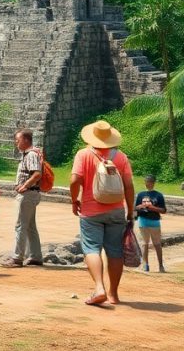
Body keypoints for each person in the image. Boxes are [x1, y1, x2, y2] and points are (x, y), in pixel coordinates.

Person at [70, 120, 135, 306]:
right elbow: (129, 186)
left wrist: (74, 200)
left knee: (91, 249)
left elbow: (75, 180)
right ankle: (114, 294)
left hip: (91, 211)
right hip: (116, 210)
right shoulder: (121, 157)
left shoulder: (83, 155)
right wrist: (130, 211)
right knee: (115, 251)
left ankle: (99, 288)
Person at [1, 129, 44, 268]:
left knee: (20, 226)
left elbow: (37, 174)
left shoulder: (31, 154)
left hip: (28, 194)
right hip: (31, 194)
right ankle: (35, 256)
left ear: (26, 140)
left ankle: (17, 257)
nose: (16, 142)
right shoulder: (30, 154)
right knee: (30, 226)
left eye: (18, 140)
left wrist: (24, 186)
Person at [135, 174, 167, 273]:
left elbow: (163, 210)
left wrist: (152, 208)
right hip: (143, 220)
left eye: (150, 182)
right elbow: (135, 208)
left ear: (153, 183)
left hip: (154, 222)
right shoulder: (140, 195)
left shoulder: (158, 195)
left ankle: (161, 266)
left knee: (157, 244)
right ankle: (145, 265)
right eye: (147, 182)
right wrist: (141, 206)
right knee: (144, 244)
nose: (148, 184)